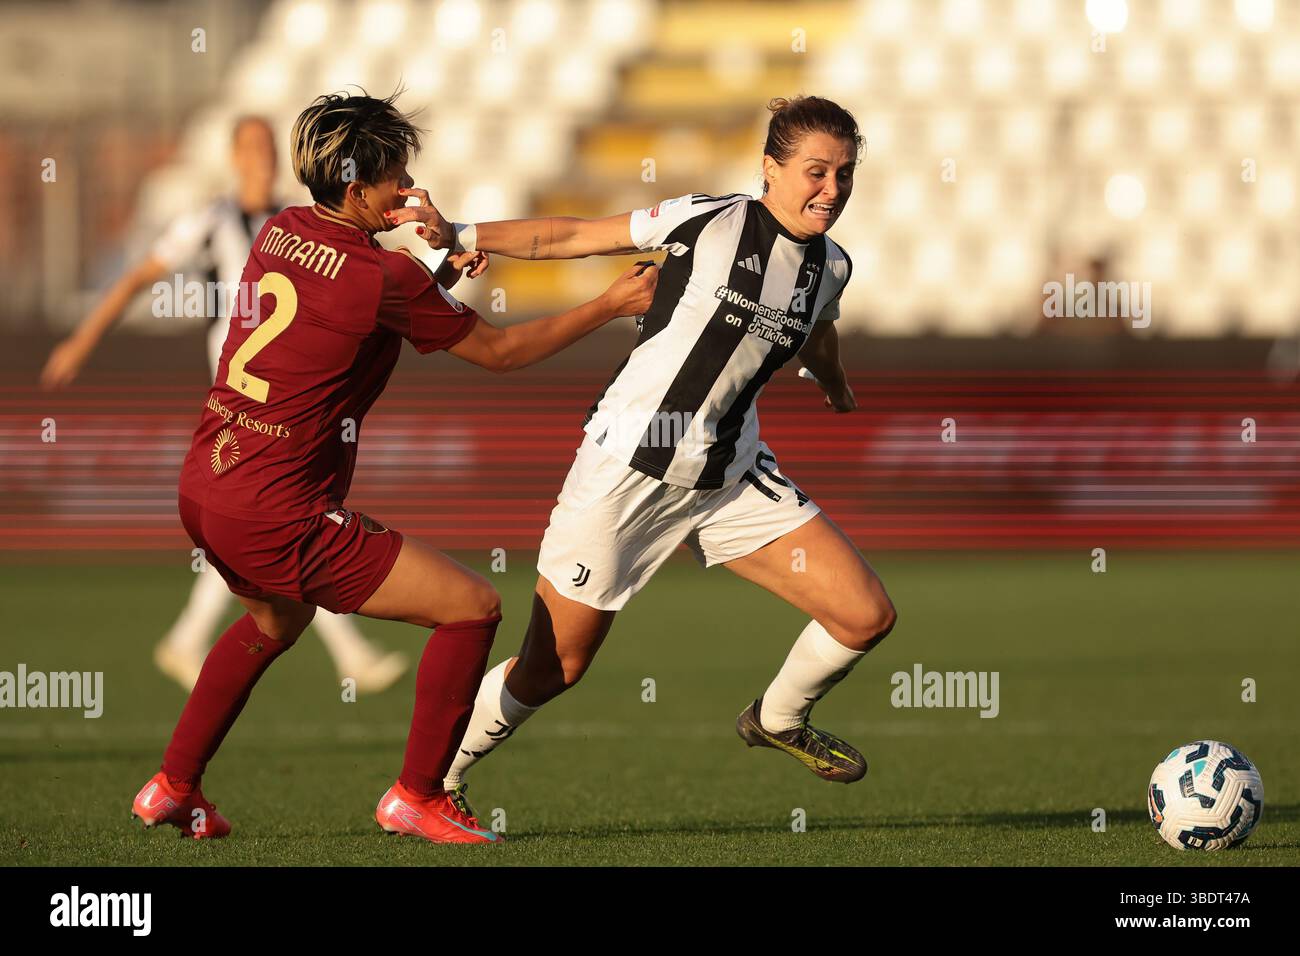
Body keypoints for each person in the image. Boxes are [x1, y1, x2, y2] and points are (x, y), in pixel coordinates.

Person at [128, 90, 657, 844]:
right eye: (396, 179)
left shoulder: (279, 230)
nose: (409, 191)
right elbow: (500, 353)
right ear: (354, 187)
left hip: (206, 482)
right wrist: (610, 303)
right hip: (280, 509)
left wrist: (438, 266)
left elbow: (352, 309)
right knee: (471, 608)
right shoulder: (384, 278)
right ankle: (419, 795)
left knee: (275, 619)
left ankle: (172, 787)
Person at [391, 96, 898, 817]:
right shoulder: (710, 220)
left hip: (727, 477)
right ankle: (433, 784)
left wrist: (836, 383)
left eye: (844, 175)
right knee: (552, 668)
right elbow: (571, 235)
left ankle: (779, 718)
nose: (832, 190)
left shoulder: (832, 268)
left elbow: (818, 332)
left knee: (866, 614)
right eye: (816, 172)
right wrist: (461, 231)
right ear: (770, 169)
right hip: (627, 470)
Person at [40, 115, 408, 695]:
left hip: (291, 386)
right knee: (285, 517)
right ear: (234, 156)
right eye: (250, 147)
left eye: (267, 146)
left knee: (273, 521)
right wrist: (83, 339)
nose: (260, 157)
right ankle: (346, 654)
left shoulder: (294, 221)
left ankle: (196, 640)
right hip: (241, 390)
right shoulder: (210, 220)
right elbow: (141, 275)